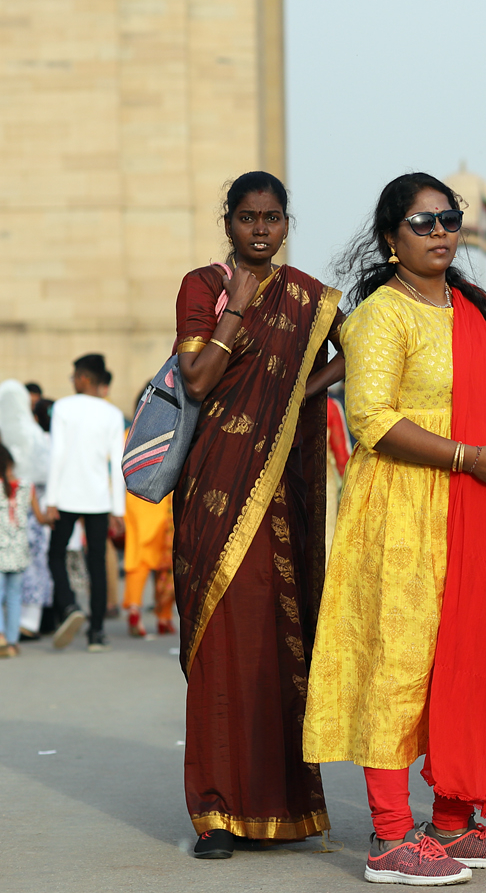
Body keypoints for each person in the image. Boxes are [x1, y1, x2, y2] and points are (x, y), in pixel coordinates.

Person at [304, 172, 486, 885]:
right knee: (401, 663)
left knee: (475, 657)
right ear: (391, 239)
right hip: (404, 509)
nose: (440, 233)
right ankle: (391, 836)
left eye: (449, 220)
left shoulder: (472, 311)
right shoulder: (381, 315)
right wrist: (467, 457)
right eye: (422, 223)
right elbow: (371, 420)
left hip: (480, 509)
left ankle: (453, 824)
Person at [169, 172, 345, 857]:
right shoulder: (203, 287)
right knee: (221, 645)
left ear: (286, 223)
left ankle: (279, 807)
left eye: (273, 218)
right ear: (229, 223)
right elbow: (197, 380)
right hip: (216, 482)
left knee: (277, 640)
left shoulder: (308, 296)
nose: (261, 230)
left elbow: (356, 350)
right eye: (248, 218)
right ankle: (214, 811)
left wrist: (299, 392)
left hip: (280, 492)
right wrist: (236, 309)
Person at [41, 353, 124, 651]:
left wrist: (51, 499)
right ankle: (96, 633)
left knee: (55, 555)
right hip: (99, 500)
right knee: (97, 563)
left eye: (74, 376)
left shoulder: (63, 407)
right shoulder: (112, 414)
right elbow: (118, 464)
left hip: (66, 497)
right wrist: (118, 509)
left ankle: (69, 606)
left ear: (83, 378)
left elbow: (57, 455)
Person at [0, 380, 52, 640]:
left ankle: (5, 631)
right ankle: (26, 625)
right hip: (30, 510)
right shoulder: (33, 434)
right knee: (33, 567)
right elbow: (46, 469)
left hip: (5, 518)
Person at [0, 443, 43, 657]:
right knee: (14, 596)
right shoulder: (27, 486)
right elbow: (40, 518)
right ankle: (13, 642)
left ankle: (0, 636)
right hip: (18, 552)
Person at [121, 485, 173, 639]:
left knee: (138, 556)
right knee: (167, 559)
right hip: (163, 495)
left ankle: (134, 608)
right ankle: (164, 616)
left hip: (136, 494)